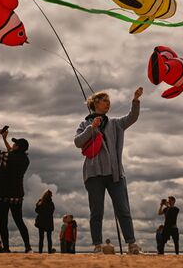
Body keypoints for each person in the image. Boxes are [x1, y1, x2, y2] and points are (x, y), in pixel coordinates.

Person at [74, 87, 143, 254]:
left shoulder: (115, 123)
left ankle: (132, 245)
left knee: (123, 209)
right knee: (96, 211)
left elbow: (132, 117)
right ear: (95, 103)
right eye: (105, 100)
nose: (108, 103)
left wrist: (135, 100)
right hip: (93, 174)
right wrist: (91, 128)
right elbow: (77, 142)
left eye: (109, 101)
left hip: (115, 174)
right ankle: (97, 246)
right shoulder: (85, 123)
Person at [0, 127, 32, 253]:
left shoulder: (8, 157)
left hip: (3, 194)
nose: (13, 144)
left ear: (18, 147)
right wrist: (5, 139)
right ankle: (28, 247)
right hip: (17, 196)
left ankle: (7, 249)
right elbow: (11, 153)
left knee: (3, 223)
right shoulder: (26, 160)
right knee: (19, 221)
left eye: (15, 143)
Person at [35, 189, 55, 253]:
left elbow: (36, 211)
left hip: (41, 221)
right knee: (49, 238)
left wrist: (37, 205)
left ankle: (40, 252)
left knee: (41, 238)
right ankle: (49, 251)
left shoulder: (41, 202)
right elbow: (52, 212)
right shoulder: (51, 203)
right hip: (48, 221)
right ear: (50, 195)